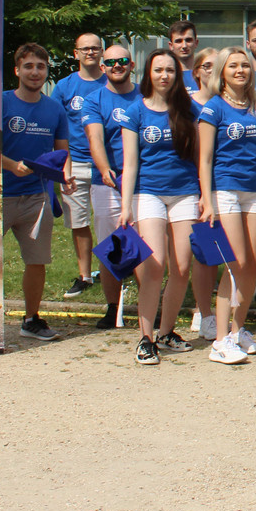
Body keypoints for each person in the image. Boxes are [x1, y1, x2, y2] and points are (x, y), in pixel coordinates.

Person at [197, 47, 256, 364]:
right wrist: (207, 199)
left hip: (255, 192)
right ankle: (220, 340)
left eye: (245, 65)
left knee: (251, 265)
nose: (240, 70)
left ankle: (237, 331)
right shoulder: (213, 108)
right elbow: (205, 159)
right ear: (222, 72)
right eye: (233, 65)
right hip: (226, 191)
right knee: (235, 263)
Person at [116, 49, 199, 364]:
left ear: (178, 75)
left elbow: (200, 156)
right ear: (148, 74)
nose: (164, 75)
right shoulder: (135, 111)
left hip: (185, 193)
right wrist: (126, 206)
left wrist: (205, 195)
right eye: (158, 70)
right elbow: (130, 164)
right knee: (154, 264)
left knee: (182, 267)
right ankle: (145, 337)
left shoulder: (189, 110)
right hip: (148, 193)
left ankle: (166, 332)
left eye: (170, 70)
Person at [2, 43, 73, 341]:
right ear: (17, 70)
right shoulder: (1, 102)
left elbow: (62, 152)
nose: (35, 72)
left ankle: (31, 319)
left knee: (36, 261)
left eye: (41, 67)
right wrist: (11, 165)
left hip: (37, 197)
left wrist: (66, 177)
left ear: (46, 72)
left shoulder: (54, 109)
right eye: (28, 66)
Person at [80, 44, 140, 328]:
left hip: (143, 183)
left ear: (132, 65)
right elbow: (95, 139)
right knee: (111, 248)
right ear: (103, 67)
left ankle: (147, 305)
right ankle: (113, 308)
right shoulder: (94, 100)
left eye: (123, 60)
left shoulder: (146, 95)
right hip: (107, 184)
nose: (118, 65)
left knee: (144, 246)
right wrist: (105, 170)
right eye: (111, 62)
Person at [52, 32, 104, 299]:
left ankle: (113, 270)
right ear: (76, 53)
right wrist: (64, 166)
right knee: (78, 222)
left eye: (95, 48)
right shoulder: (64, 86)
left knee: (111, 222)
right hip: (75, 164)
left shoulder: (112, 81)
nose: (90, 52)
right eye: (85, 49)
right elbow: (56, 126)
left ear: (102, 51)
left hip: (106, 165)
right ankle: (85, 276)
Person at [185, 47, 220, 340]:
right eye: (207, 66)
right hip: (194, 184)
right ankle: (202, 310)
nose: (212, 70)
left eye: (217, 65)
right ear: (196, 71)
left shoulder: (229, 102)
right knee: (204, 252)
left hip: (226, 183)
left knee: (221, 252)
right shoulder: (187, 105)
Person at [169, 20, 199, 90]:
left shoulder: (206, 74)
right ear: (171, 45)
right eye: (179, 41)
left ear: (196, 43)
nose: (184, 46)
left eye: (188, 40)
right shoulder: (166, 77)